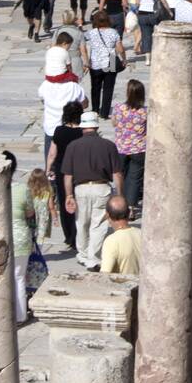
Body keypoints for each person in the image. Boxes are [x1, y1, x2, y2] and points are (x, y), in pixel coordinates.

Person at [61, 111, 124, 270]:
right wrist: (120, 195)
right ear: (96, 126)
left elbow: (67, 175)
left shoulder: (72, 146)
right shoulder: (108, 145)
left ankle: (82, 255)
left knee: (81, 222)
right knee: (98, 225)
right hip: (101, 188)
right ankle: (93, 257)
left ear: (82, 127)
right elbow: (117, 173)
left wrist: (69, 195)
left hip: (81, 189)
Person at [38, 41, 87, 161]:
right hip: (69, 130)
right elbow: (85, 103)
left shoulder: (44, 86)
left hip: (51, 128)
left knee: (51, 161)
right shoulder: (73, 86)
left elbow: (42, 100)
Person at [45, 100, 83, 248]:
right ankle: (77, 234)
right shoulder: (82, 132)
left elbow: (52, 154)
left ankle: (69, 236)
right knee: (79, 202)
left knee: (64, 202)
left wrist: (48, 170)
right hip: (79, 171)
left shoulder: (59, 131)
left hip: (62, 171)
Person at [4, 151, 35, 324]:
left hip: (0, 240)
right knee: (19, 278)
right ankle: (21, 315)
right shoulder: (23, 190)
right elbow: (30, 212)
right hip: (21, 238)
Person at [80, 10, 126, 120]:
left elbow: (80, 40)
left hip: (96, 60)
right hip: (110, 58)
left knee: (95, 87)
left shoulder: (91, 33)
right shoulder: (113, 32)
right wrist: (124, 59)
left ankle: (95, 109)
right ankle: (105, 112)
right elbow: (120, 48)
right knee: (108, 88)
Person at [112, 79, 147, 218]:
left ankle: (121, 201)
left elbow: (114, 123)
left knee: (121, 176)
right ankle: (131, 208)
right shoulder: (144, 112)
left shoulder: (119, 108)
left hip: (121, 147)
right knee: (134, 178)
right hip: (138, 148)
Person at [100, 195, 142, 275]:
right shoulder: (141, 234)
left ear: (108, 215)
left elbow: (104, 275)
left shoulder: (111, 241)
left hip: (124, 286)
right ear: (129, 213)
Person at [137, 0, 159, 65]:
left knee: (146, 36)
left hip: (142, 13)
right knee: (157, 35)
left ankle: (147, 59)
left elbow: (138, 1)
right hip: (153, 13)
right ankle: (157, 54)